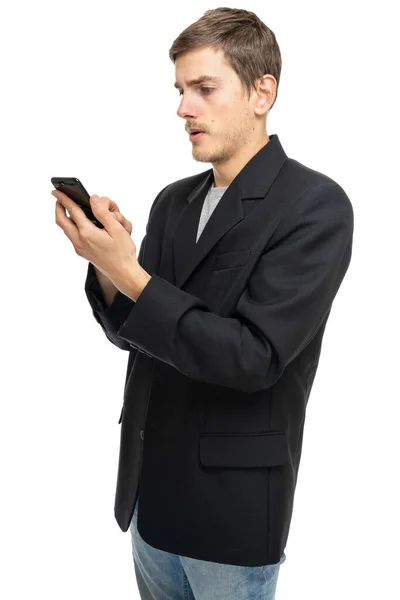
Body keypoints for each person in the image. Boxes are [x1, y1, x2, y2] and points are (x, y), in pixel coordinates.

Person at [54, 7, 354, 600]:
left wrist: (131, 275)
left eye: (204, 88)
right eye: (180, 90)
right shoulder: (174, 202)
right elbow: (137, 334)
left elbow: (253, 357)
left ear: (262, 92)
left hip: (231, 514)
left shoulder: (316, 206)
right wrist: (107, 265)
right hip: (148, 501)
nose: (183, 108)